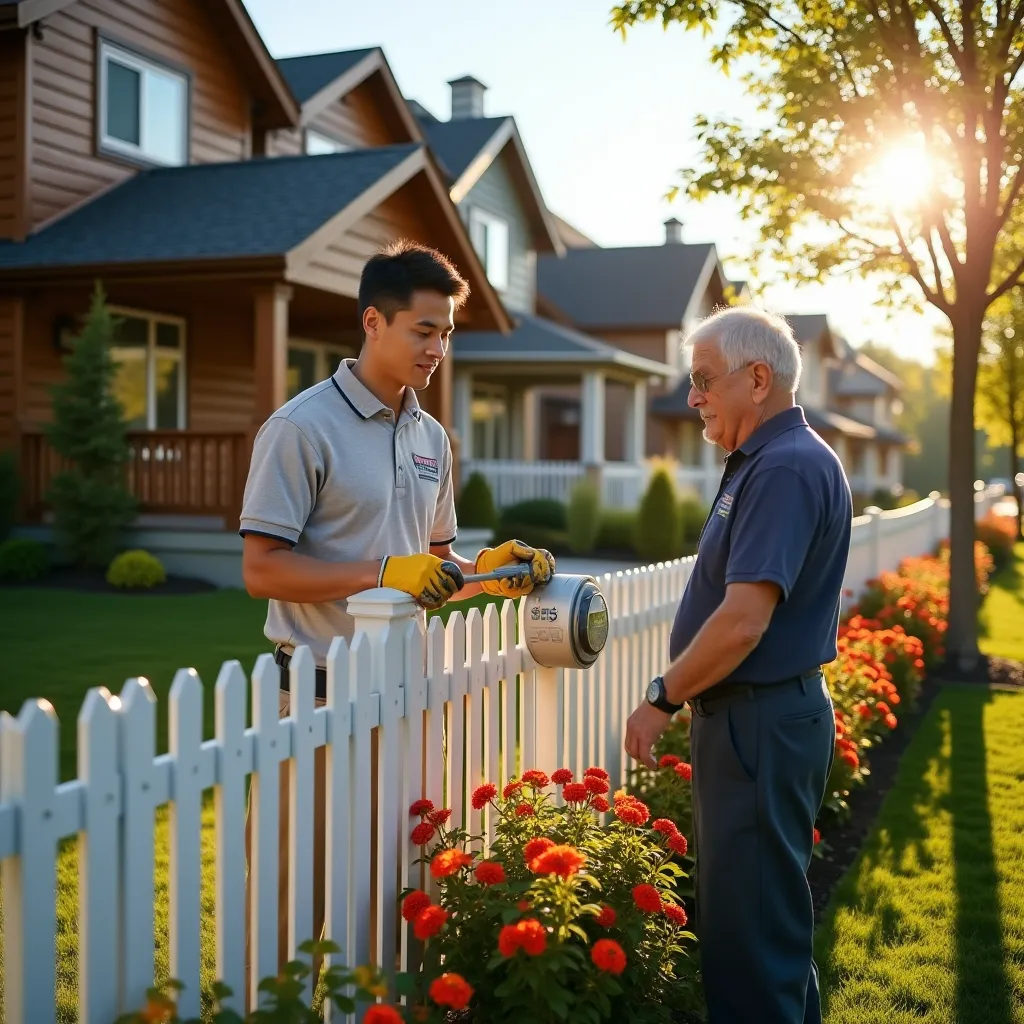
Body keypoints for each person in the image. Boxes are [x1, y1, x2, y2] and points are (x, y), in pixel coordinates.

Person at [237, 238, 555, 992]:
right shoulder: (301, 428)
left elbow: (433, 566)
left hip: (405, 708)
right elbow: (261, 570)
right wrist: (380, 573)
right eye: (424, 330)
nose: (438, 347)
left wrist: (493, 570)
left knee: (392, 895)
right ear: (373, 322)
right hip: (311, 703)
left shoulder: (430, 438)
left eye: (446, 332)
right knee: (288, 908)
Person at [623, 306, 852, 1024]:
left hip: (758, 722)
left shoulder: (783, 467)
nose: (693, 397)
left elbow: (745, 620)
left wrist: (661, 696)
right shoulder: (769, 460)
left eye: (702, 380)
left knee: (749, 944)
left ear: (758, 379)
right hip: (760, 722)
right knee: (763, 930)